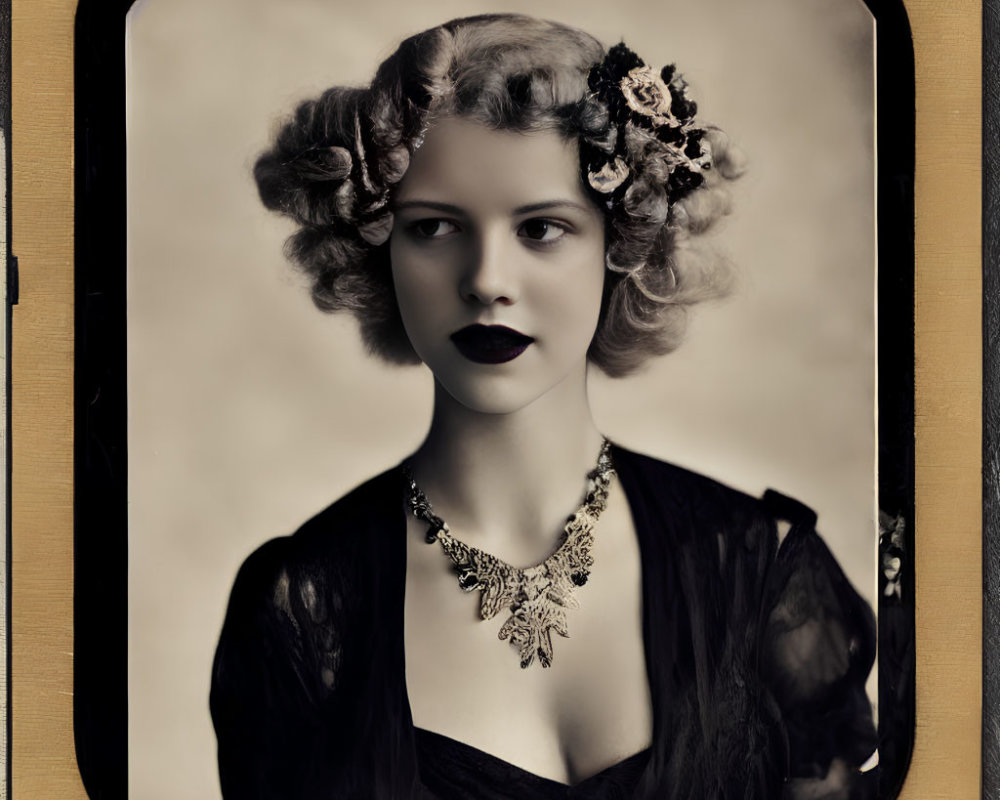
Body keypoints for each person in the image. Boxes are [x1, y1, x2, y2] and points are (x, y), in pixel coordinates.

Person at [210, 14, 878, 799]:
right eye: (432, 227)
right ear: (378, 247)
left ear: (621, 243)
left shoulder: (765, 574)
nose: (487, 279)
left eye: (542, 228)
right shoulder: (299, 614)